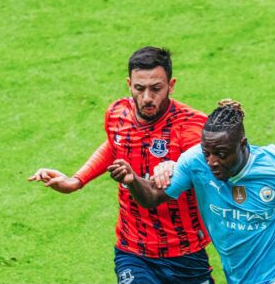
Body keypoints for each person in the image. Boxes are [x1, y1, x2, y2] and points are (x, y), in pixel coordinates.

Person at [28, 46, 214, 284]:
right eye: (139, 88)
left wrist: (175, 166)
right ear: (129, 84)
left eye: (156, 88)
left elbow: (205, 168)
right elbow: (114, 144)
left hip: (184, 250)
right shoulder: (117, 113)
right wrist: (76, 180)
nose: (147, 97)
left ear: (171, 85)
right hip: (132, 248)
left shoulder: (191, 125)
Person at [108, 99, 275, 284]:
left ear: (242, 145)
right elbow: (152, 198)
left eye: (221, 154)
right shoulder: (194, 163)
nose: (211, 162)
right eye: (206, 152)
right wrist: (132, 180)